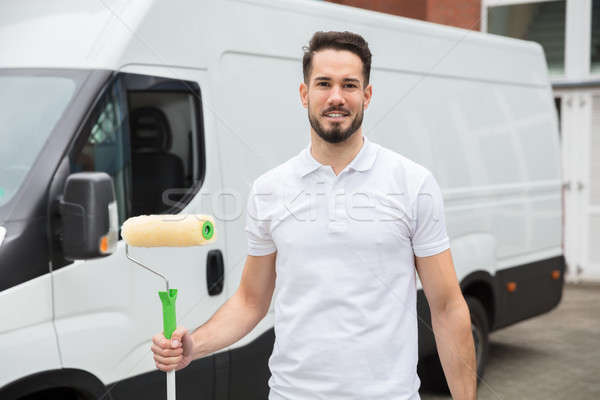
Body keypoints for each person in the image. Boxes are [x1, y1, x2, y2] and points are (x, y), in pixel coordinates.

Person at [151, 31, 477, 400]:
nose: (336, 97)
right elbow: (250, 300)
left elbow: (448, 308)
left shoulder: (413, 183)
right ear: (305, 94)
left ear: (367, 96)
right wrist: (195, 344)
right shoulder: (269, 190)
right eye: (324, 83)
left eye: (349, 85)